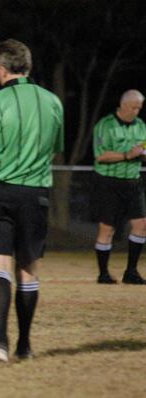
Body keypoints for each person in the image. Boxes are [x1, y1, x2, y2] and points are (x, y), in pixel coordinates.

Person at [0, 39, 64, 363]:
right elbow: (55, 148)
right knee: (29, 269)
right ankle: (25, 345)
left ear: (2, 69)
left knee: (0, 267)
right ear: (28, 66)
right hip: (34, 193)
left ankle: (0, 344)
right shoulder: (53, 102)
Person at [92, 90, 146, 285]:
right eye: (134, 107)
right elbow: (100, 155)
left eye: (139, 107)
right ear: (123, 105)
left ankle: (131, 271)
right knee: (107, 229)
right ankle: (103, 273)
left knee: (141, 225)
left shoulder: (141, 126)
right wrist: (127, 155)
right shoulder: (105, 125)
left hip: (133, 181)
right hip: (108, 182)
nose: (137, 111)